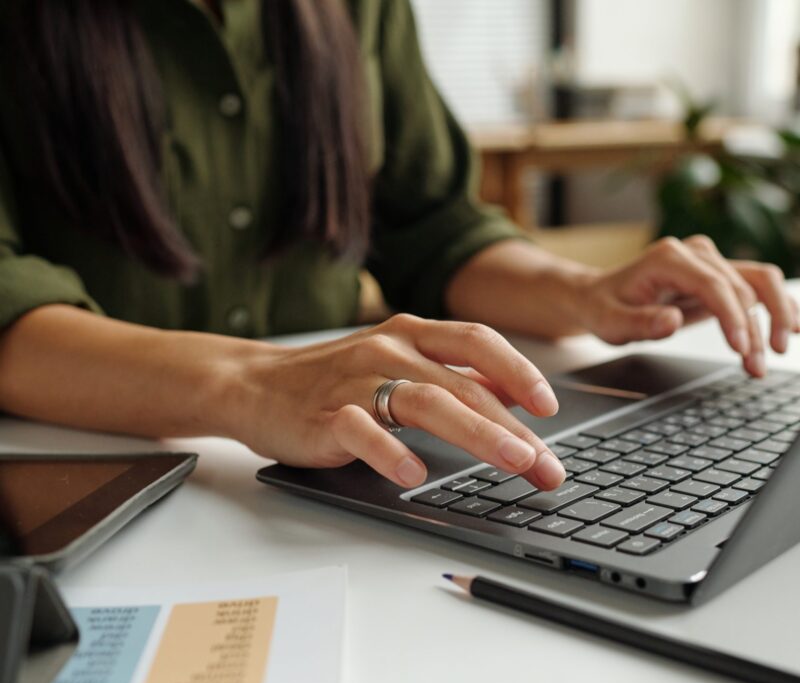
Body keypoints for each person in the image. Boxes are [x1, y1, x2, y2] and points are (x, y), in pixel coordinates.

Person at [0, 0, 796, 495]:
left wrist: (580, 294)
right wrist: (248, 384)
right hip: (79, 480)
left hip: (334, 479)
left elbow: (434, 224)